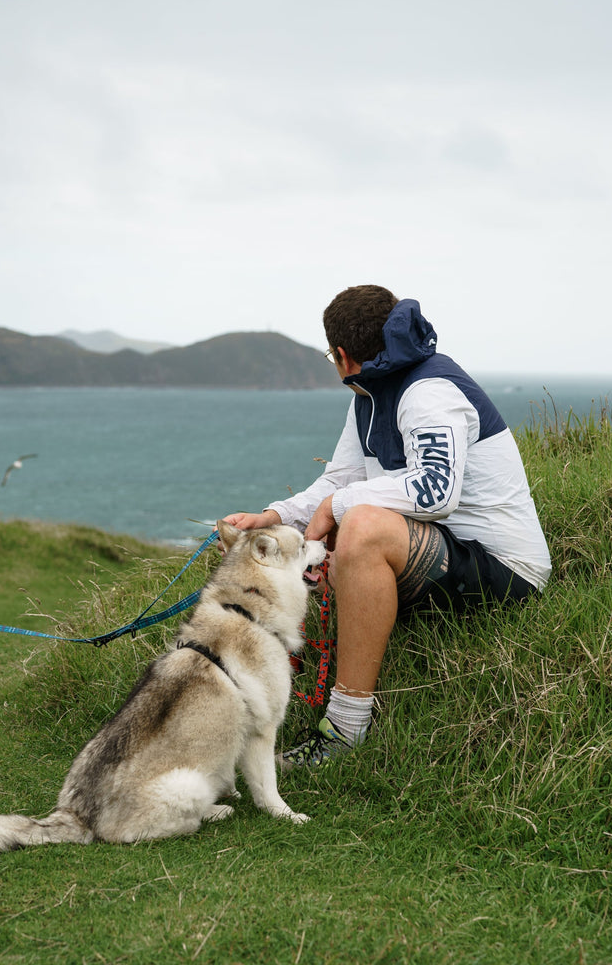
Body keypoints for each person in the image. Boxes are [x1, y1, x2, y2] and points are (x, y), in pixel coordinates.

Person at [224, 285, 551, 769]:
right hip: (444, 552)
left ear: (340, 355)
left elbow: (436, 491)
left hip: (507, 570)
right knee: (350, 517)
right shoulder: (371, 392)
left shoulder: (428, 391)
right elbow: (340, 478)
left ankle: (346, 729)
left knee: (362, 526)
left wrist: (341, 505)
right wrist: (272, 517)